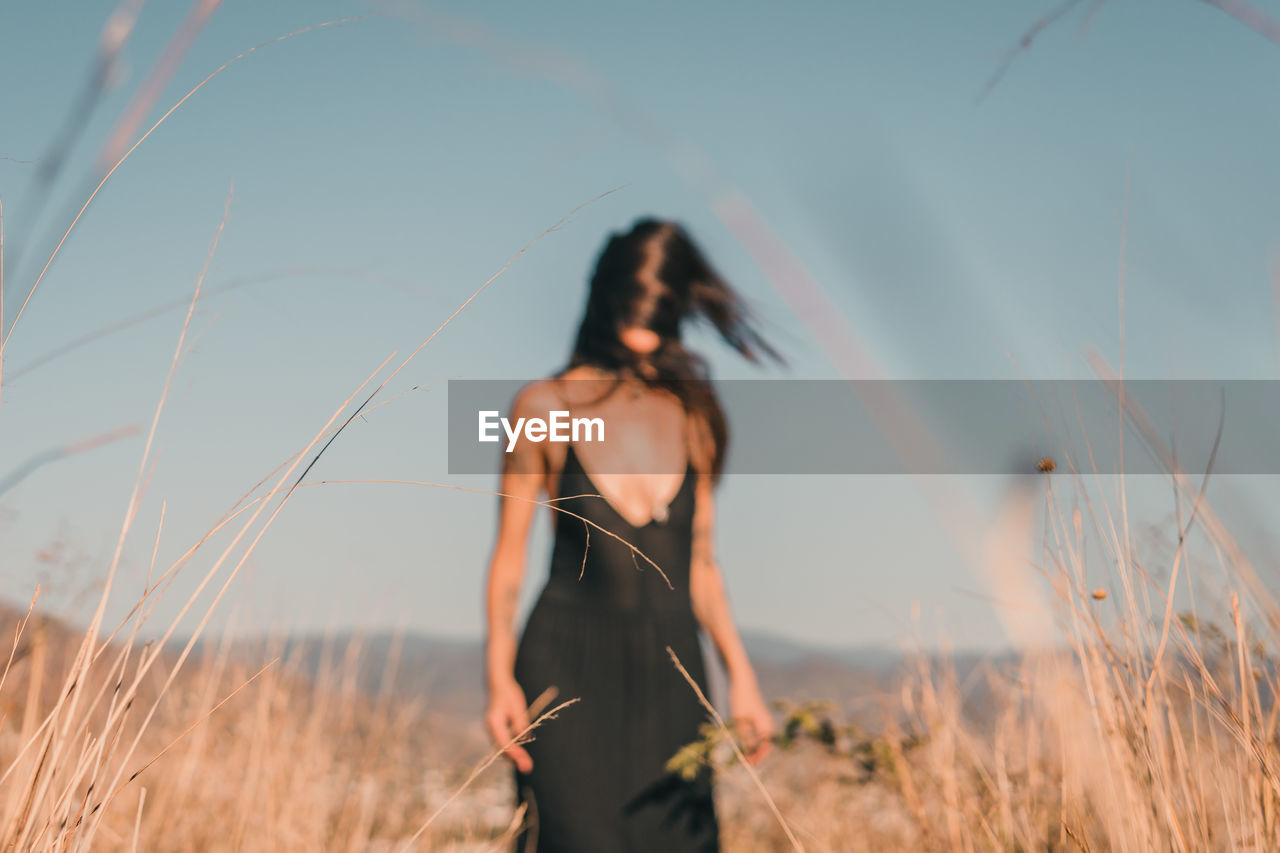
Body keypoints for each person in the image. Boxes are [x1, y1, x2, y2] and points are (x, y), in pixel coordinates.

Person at [483, 217, 781, 852]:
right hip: (563, 679)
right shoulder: (544, 408)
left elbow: (701, 564)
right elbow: (509, 560)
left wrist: (742, 677)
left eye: (658, 311)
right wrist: (497, 677)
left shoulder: (694, 413)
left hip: (676, 681)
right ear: (605, 296)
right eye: (631, 308)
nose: (641, 328)